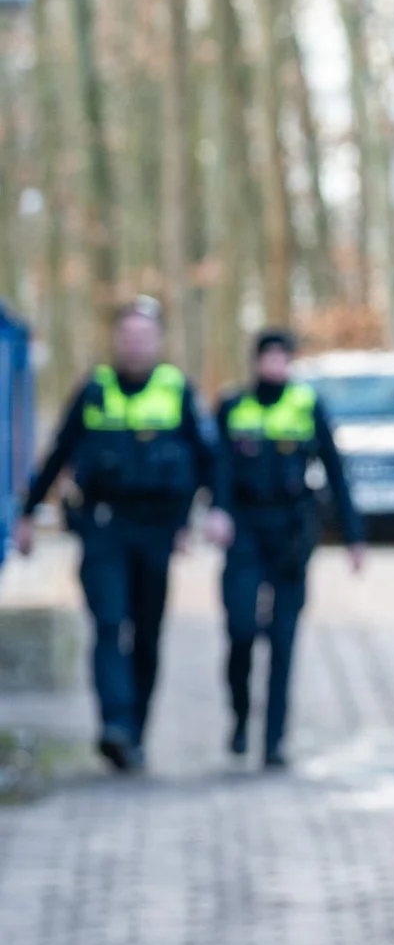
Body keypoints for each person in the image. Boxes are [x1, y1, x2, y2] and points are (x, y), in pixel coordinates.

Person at [18, 297, 225, 771]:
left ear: (158, 341)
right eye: (127, 337)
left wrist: (215, 509)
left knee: (146, 633)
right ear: (117, 340)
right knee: (109, 625)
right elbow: (58, 454)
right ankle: (114, 722)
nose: (135, 346)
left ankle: (135, 730)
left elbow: (209, 458)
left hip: (156, 531)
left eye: (143, 337)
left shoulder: (177, 391)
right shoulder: (95, 390)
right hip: (103, 526)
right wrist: (28, 514)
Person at [213, 329, 366, 768]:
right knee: (241, 630)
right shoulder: (233, 407)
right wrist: (216, 512)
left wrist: (353, 536)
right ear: (256, 361)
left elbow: (335, 473)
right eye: (269, 357)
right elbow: (218, 468)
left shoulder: (306, 406)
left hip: (291, 535)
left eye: (283, 357)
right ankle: (241, 716)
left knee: (283, 638)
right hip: (244, 531)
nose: (275, 365)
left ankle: (275, 739)